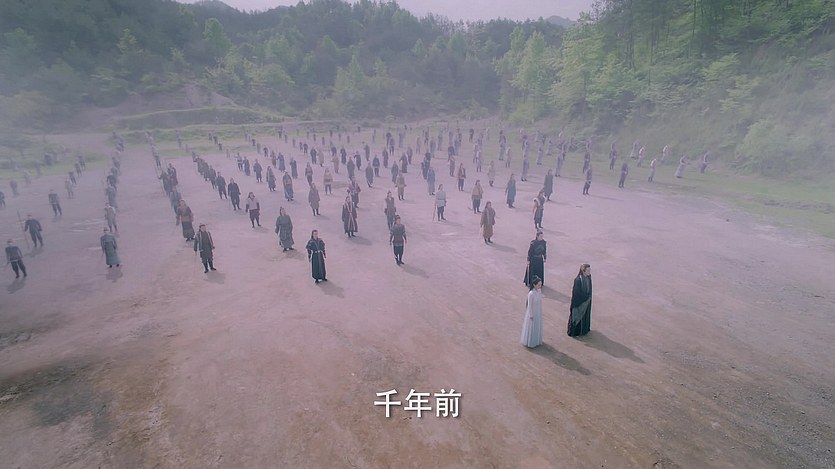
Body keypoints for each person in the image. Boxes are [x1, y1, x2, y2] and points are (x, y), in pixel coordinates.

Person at [568, 264, 593, 337]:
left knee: (585, 316)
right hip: (579, 303)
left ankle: (584, 330)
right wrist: (585, 297)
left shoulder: (589, 278)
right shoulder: (578, 280)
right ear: (583, 271)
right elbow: (576, 293)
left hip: (587, 301)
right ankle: (576, 332)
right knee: (577, 317)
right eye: (588, 270)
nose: (589, 272)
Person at [520, 275, 543, 348]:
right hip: (533, 312)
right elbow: (529, 305)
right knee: (531, 328)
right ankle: (530, 342)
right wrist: (531, 315)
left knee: (536, 326)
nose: (540, 286)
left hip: (538, 311)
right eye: (539, 285)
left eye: (540, 284)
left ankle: (536, 340)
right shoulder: (531, 294)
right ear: (534, 285)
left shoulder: (539, 291)